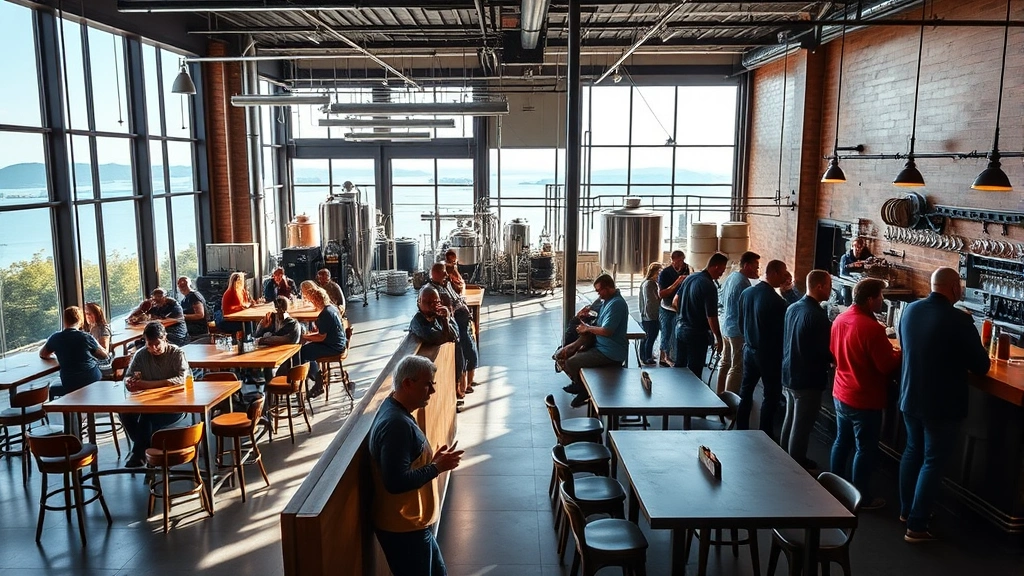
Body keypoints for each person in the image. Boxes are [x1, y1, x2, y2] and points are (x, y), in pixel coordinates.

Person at [898, 267, 991, 542]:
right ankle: (916, 525)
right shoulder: (959, 321)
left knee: (912, 452)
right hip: (941, 404)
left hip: (909, 396)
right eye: (960, 285)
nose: (961, 289)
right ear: (953, 287)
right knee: (933, 462)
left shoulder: (910, 310)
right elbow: (981, 366)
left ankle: (907, 510)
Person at [369, 355, 463, 576]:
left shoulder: (396, 411)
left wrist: (431, 461)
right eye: (427, 384)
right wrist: (436, 468)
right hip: (403, 528)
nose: (432, 391)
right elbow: (395, 481)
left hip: (415, 525)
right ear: (407, 384)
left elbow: (405, 461)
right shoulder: (396, 426)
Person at [829, 278, 901, 510]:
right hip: (863, 397)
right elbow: (885, 366)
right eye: (881, 296)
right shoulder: (872, 329)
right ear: (870, 299)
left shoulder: (840, 319)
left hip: (841, 391)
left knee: (841, 441)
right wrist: (900, 353)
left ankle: (832, 486)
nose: (883, 300)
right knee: (865, 448)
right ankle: (861, 497)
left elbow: (833, 351)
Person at [781, 270, 834, 470]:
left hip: (789, 372)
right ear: (819, 286)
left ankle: (784, 458)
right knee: (802, 427)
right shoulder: (817, 316)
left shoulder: (793, 307)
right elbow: (823, 350)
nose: (830, 290)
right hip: (807, 377)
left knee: (790, 418)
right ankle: (795, 468)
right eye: (829, 285)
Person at [120, 321, 189, 468]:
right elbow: (128, 376)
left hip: (173, 405)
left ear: (165, 338)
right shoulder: (141, 355)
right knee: (124, 412)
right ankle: (145, 446)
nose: (153, 348)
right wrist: (129, 382)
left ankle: (138, 454)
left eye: (157, 343)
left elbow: (181, 380)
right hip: (145, 402)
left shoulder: (176, 353)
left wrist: (148, 385)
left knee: (147, 417)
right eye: (149, 344)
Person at [735, 259, 789, 437]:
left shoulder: (747, 293)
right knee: (771, 396)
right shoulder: (777, 302)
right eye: (782, 274)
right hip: (769, 355)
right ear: (773, 273)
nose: (783, 279)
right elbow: (783, 332)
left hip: (749, 350)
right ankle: (765, 433)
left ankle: (741, 427)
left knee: (746, 390)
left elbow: (741, 323)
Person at [563, 274, 629, 408]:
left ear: (609, 288)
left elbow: (607, 331)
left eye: (600, 291)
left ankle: (583, 390)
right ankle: (580, 385)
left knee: (571, 361)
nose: (598, 294)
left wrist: (587, 328)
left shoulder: (616, 304)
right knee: (568, 355)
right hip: (601, 346)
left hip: (610, 352)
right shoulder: (608, 301)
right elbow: (597, 315)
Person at [673, 252, 727, 378]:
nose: (722, 274)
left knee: (679, 368)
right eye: (722, 270)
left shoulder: (690, 278)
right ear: (716, 267)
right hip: (696, 334)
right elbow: (711, 317)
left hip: (680, 328)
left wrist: (684, 314)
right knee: (694, 373)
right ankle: (692, 397)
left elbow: (675, 301)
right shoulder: (709, 286)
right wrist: (718, 338)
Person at [427, 263, 478, 396]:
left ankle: (469, 382)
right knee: (461, 351)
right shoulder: (433, 290)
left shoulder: (447, 283)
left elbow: (460, 288)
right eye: (443, 272)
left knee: (470, 349)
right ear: (436, 273)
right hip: (455, 322)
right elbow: (446, 310)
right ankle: (460, 386)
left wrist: (455, 277)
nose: (446, 274)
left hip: (463, 318)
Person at [409, 286, 464, 408]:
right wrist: (445, 322)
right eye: (428, 302)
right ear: (419, 302)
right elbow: (436, 338)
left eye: (436, 302)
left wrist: (447, 318)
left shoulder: (438, 316)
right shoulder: (418, 321)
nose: (433, 305)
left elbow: (455, 335)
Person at [40, 306, 108, 399]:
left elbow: (43, 354)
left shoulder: (55, 338)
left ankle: (68, 410)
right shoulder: (85, 337)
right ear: (80, 320)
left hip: (70, 382)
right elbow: (104, 356)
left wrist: (61, 355)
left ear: (64, 321)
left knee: (56, 387)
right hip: (91, 379)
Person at [717, 251, 760, 394]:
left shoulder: (732, 276)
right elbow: (747, 310)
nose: (757, 270)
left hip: (725, 325)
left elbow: (721, 299)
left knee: (725, 362)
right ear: (747, 266)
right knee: (736, 367)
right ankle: (730, 402)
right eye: (756, 266)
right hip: (736, 331)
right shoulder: (744, 283)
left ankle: (719, 395)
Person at [299, 281, 347, 398]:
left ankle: (317, 380)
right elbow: (323, 333)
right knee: (308, 348)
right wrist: (310, 336)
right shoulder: (332, 308)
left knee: (303, 352)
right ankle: (317, 377)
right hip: (339, 342)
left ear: (315, 300)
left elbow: (321, 337)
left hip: (333, 347)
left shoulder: (324, 314)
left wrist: (304, 337)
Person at [657, 250, 691, 366]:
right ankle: (664, 357)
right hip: (667, 306)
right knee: (666, 331)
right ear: (673, 260)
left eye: (683, 260)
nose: (681, 263)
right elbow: (662, 294)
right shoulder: (665, 273)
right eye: (679, 261)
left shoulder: (687, 269)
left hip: (681, 307)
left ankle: (677, 356)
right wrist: (677, 282)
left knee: (679, 332)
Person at [638, 262, 663, 366]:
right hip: (651, 315)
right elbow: (651, 301)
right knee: (651, 336)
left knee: (647, 336)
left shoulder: (645, 283)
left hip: (646, 315)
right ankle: (647, 357)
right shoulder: (650, 284)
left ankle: (644, 355)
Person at [83, 301, 113, 375]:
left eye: (89, 313)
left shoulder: (102, 329)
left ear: (96, 315)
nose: (87, 316)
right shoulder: (91, 328)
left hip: (103, 365)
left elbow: (104, 352)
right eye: (85, 314)